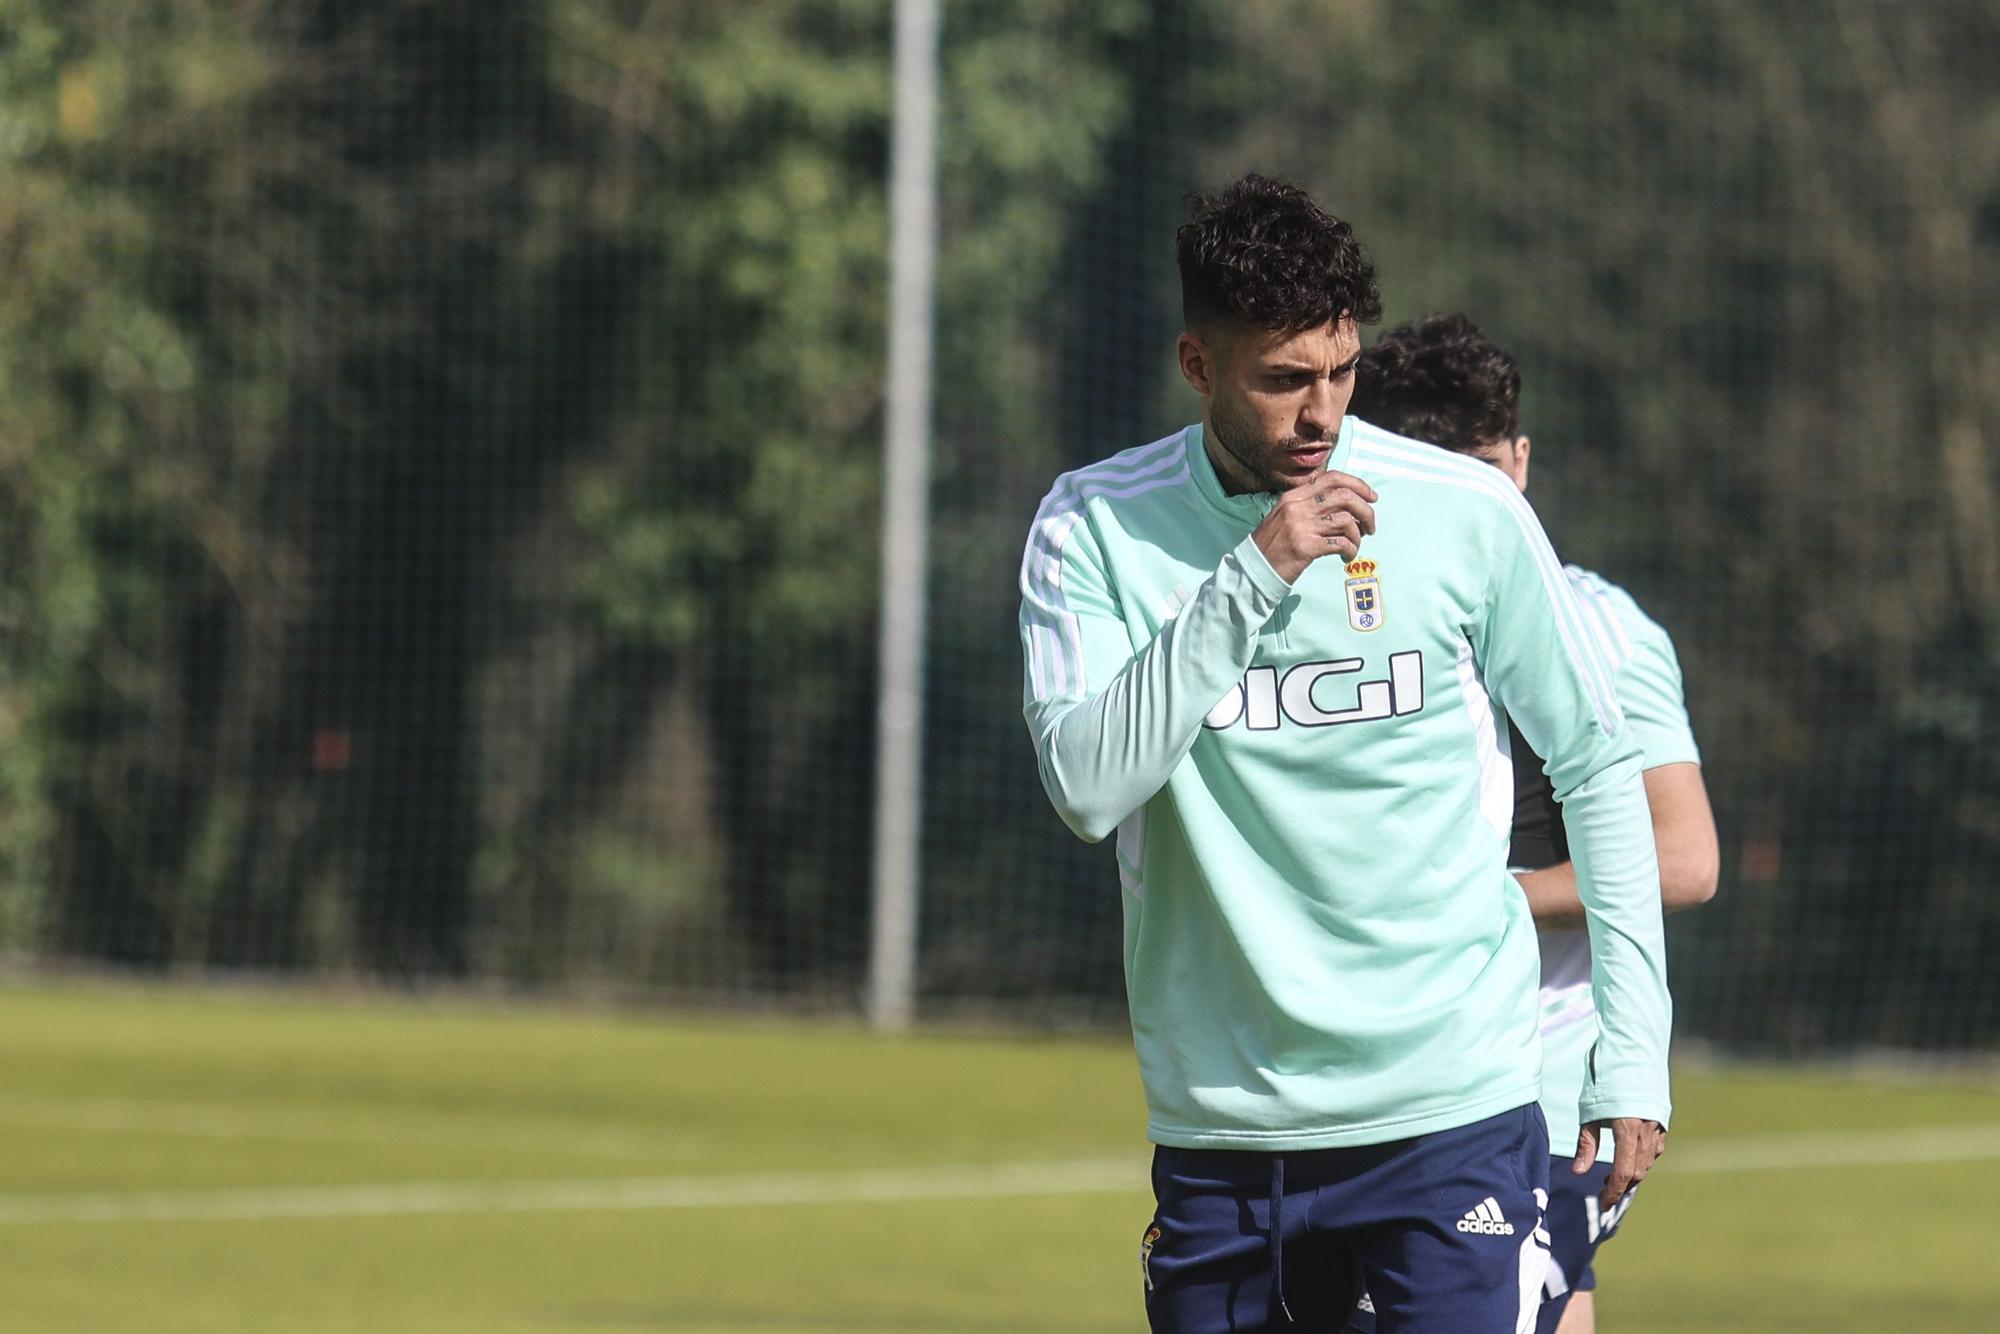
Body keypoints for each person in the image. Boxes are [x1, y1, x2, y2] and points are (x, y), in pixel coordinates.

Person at [1017, 174, 1672, 1333]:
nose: (1319, 414)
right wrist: (1253, 573)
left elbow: (1595, 766)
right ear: (1196, 363)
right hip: (1224, 1128)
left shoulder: (1460, 505)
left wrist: (1631, 1048)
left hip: (1450, 1105)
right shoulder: (1091, 526)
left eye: (1340, 371)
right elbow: (1084, 784)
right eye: (1281, 380)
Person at [1345, 313, 1719, 1334]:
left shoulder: (1596, 622)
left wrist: (1485, 900)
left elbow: (1681, 858)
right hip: (1380, 1073)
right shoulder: (1351, 613)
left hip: (1536, 1086)